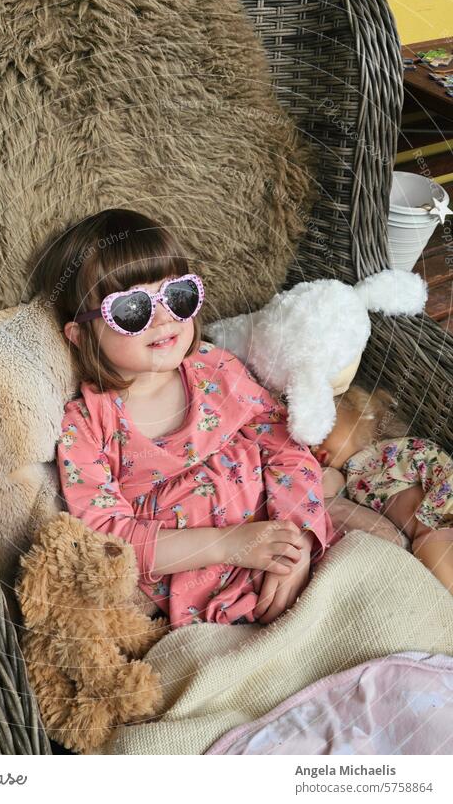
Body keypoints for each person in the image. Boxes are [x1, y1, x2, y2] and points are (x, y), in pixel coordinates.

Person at [30, 208, 341, 628]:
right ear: (82, 335)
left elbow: (284, 445)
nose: (163, 319)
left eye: (177, 296)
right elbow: (108, 539)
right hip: (209, 590)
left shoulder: (214, 368)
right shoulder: (87, 425)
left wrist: (299, 538)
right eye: (130, 310)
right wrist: (232, 545)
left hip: (287, 539)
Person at [311, 385, 453, 593]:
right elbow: (328, 495)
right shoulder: (349, 476)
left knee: (431, 552)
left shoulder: (394, 448)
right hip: (428, 532)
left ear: (359, 413)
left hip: (438, 521)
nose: (314, 446)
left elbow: (438, 468)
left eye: (322, 430)